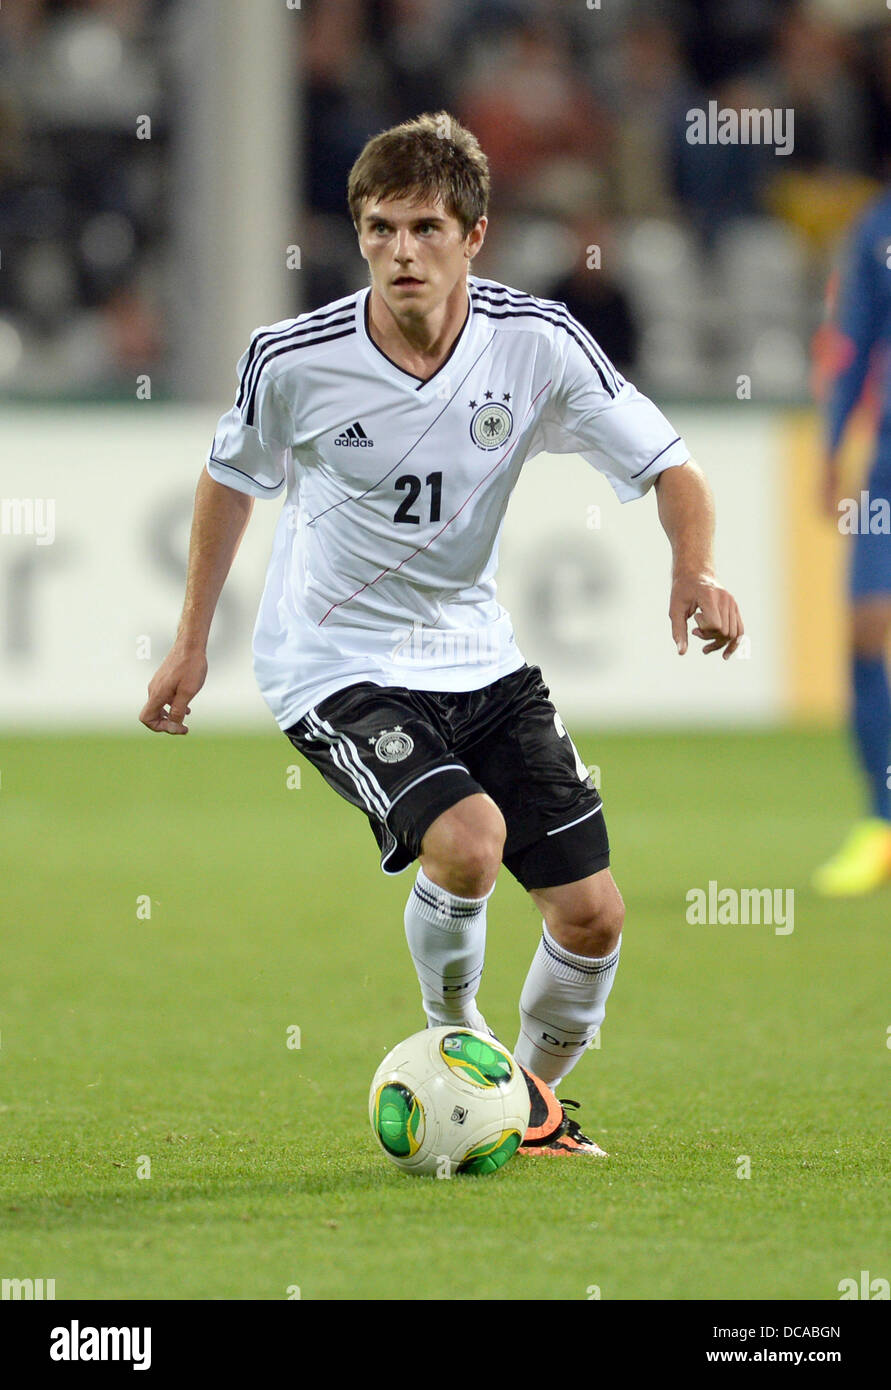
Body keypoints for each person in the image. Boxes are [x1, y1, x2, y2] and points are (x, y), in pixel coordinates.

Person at [140, 112, 743, 1157]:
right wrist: (191, 641)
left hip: (479, 656)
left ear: (475, 235)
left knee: (594, 914)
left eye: (424, 227)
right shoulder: (293, 359)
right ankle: (455, 1045)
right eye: (379, 229)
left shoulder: (538, 343)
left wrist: (694, 568)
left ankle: (531, 1106)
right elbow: (231, 478)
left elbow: (671, 467)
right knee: (466, 844)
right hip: (334, 664)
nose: (399, 252)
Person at [812, 188, 891, 896]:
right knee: (866, 628)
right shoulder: (877, 225)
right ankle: (880, 821)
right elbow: (853, 342)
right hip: (889, 462)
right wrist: (830, 450)